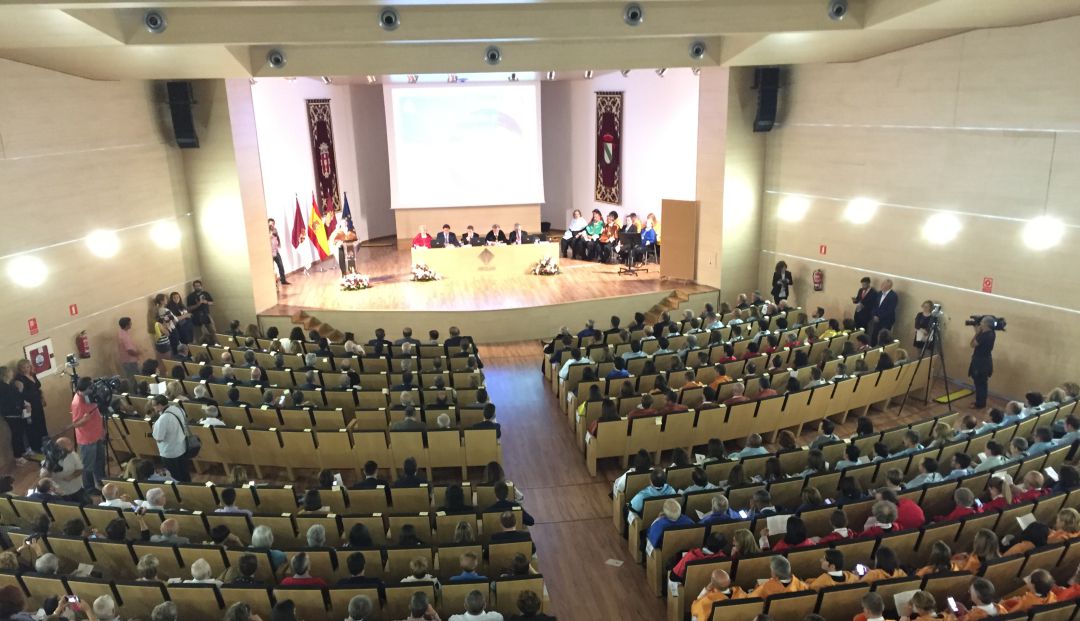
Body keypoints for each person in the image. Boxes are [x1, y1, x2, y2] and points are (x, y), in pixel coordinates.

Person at [68, 375, 106, 492]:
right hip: (87, 439)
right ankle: (89, 488)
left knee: (100, 460)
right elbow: (75, 424)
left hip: (97, 433)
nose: (93, 389)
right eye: (91, 387)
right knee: (88, 465)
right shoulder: (77, 403)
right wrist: (84, 419)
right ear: (85, 389)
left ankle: (102, 480)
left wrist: (102, 429)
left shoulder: (90, 396)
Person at [150, 394, 192, 482]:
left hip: (170, 452)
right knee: (185, 473)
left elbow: (159, 438)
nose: (153, 407)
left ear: (160, 405)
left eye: (154, 405)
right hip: (182, 447)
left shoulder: (163, 419)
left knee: (175, 476)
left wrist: (154, 428)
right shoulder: (178, 409)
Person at [14, 358, 48, 458]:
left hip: (37, 403)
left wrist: (42, 398)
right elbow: (19, 395)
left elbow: (38, 388)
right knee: (33, 426)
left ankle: (45, 443)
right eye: (23, 367)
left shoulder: (33, 374)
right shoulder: (19, 379)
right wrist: (26, 405)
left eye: (27, 367)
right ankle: (36, 447)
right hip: (29, 406)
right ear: (20, 368)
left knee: (41, 422)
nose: (26, 369)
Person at [0, 366, 28, 466]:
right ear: (6, 374)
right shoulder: (4, 387)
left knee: (19, 433)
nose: (12, 373)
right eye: (10, 372)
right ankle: (18, 457)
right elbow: (14, 400)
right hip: (11, 414)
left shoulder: (8, 385)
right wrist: (20, 390)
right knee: (16, 434)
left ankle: (22, 452)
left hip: (14, 413)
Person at [969, 315, 996, 409]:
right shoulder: (992, 333)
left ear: (986, 324)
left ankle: (979, 404)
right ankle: (981, 402)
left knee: (979, 383)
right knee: (983, 383)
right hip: (986, 361)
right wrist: (978, 331)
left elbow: (972, 344)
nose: (980, 324)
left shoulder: (984, 335)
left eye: (982, 322)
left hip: (980, 363)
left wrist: (976, 333)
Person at [870, 279, 897, 345]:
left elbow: (890, 310)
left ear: (889, 286)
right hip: (876, 319)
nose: (881, 285)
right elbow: (874, 305)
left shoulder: (893, 296)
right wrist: (874, 315)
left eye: (883, 284)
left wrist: (879, 317)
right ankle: (872, 349)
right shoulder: (879, 293)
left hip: (886, 321)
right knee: (874, 336)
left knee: (883, 338)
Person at [269, 218, 289, 284]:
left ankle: (283, 280)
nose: (272, 225)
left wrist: (278, 244)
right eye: (271, 224)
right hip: (269, 253)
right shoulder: (266, 232)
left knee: (281, 266)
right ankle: (273, 283)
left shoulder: (275, 230)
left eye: (273, 223)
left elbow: (277, 238)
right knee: (271, 269)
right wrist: (270, 234)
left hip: (276, 251)